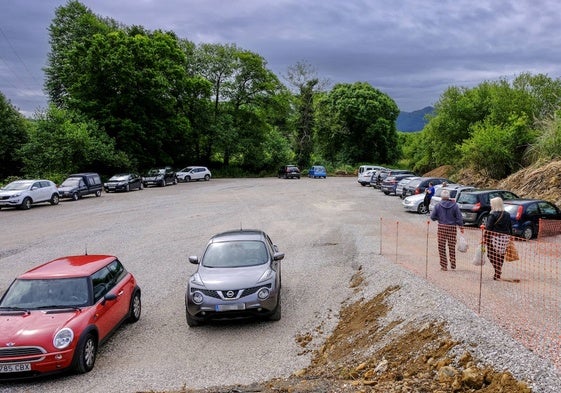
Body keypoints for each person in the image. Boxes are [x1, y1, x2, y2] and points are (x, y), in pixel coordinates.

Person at [430, 189, 464, 270]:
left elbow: (432, 217)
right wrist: (461, 227)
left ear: (441, 196)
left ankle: (444, 265)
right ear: (449, 196)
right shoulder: (455, 205)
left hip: (442, 227)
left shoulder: (438, 205)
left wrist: (438, 218)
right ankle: (453, 263)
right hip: (452, 228)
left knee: (441, 246)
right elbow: (459, 218)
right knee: (452, 246)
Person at [484, 197, 513, 281]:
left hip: (493, 237)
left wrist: (485, 237)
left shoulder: (492, 214)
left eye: (491, 203)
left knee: (491, 255)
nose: (490, 205)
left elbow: (488, 228)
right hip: (505, 237)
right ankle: (498, 270)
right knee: (501, 255)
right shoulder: (507, 214)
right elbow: (510, 226)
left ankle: (497, 270)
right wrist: (511, 236)